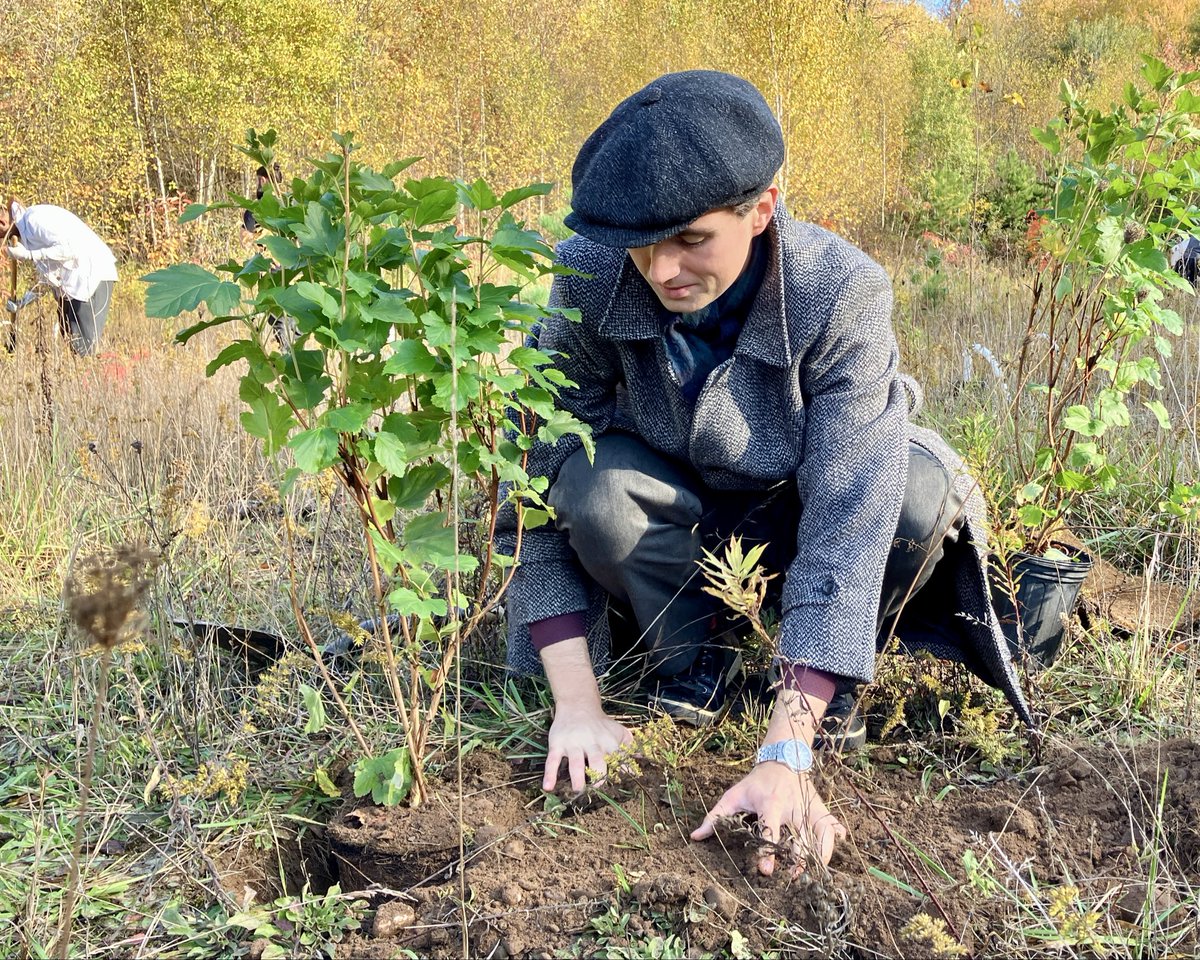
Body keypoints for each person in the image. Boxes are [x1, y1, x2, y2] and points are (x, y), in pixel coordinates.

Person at [495, 70, 1033, 876]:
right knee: (592, 487)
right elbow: (533, 493)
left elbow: (850, 518)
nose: (662, 269)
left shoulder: (840, 290)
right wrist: (576, 704)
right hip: (679, 522)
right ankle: (689, 662)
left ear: (762, 208)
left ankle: (822, 683)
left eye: (691, 239)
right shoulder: (590, 274)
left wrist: (786, 752)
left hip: (801, 513)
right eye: (642, 244)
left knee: (916, 496)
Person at [1, 200, 118, 356]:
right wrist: (23, 301)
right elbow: (48, 275)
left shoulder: (34, 219)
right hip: (73, 285)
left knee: (83, 347)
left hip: (90, 278)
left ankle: (100, 370)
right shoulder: (26, 231)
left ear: (2, 223)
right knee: (69, 335)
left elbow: (69, 248)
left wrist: (28, 255)